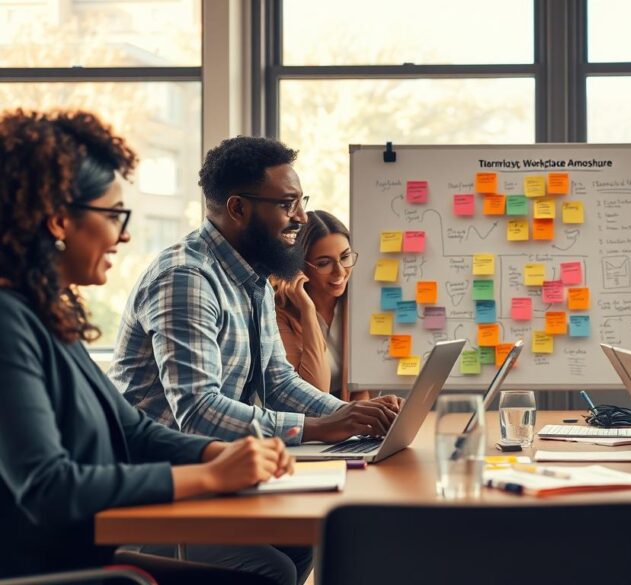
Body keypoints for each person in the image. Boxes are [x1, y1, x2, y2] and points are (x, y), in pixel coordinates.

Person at [0, 110, 295, 583]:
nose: (125, 234)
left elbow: (133, 431)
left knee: (274, 567)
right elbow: (48, 487)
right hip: (50, 568)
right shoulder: (9, 322)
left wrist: (211, 454)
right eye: (114, 215)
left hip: (84, 555)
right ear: (58, 220)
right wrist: (210, 477)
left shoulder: (47, 315)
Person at [109, 136, 399, 446]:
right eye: (288, 204)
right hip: (154, 468)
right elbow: (197, 412)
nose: (301, 217)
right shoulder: (187, 279)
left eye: (302, 202)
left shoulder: (254, 277)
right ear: (238, 208)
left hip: (207, 462)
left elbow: (278, 383)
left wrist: (356, 415)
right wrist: (322, 427)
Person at [272, 210, 368, 400]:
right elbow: (315, 392)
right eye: (324, 263)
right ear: (300, 266)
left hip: (354, 419)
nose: (340, 272)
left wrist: (361, 425)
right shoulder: (280, 313)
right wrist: (308, 312)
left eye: (345, 257)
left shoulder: (358, 299)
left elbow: (362, 384)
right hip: (311, 424)